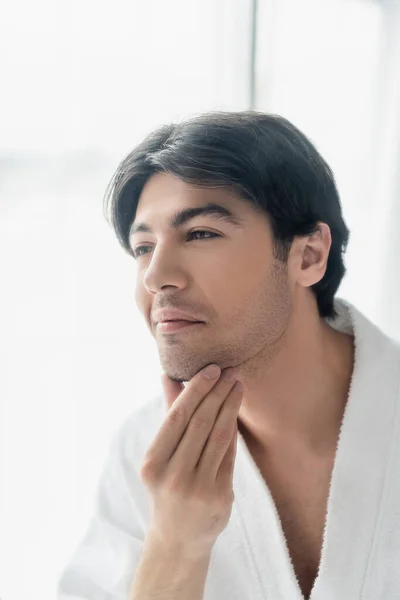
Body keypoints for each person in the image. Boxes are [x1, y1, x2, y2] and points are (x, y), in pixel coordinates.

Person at [57, 112, 400, 600]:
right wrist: (175, 545)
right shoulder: (144, 455)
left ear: (308, 257)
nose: (156, 277)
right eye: (143, 247)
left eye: (200, 234)